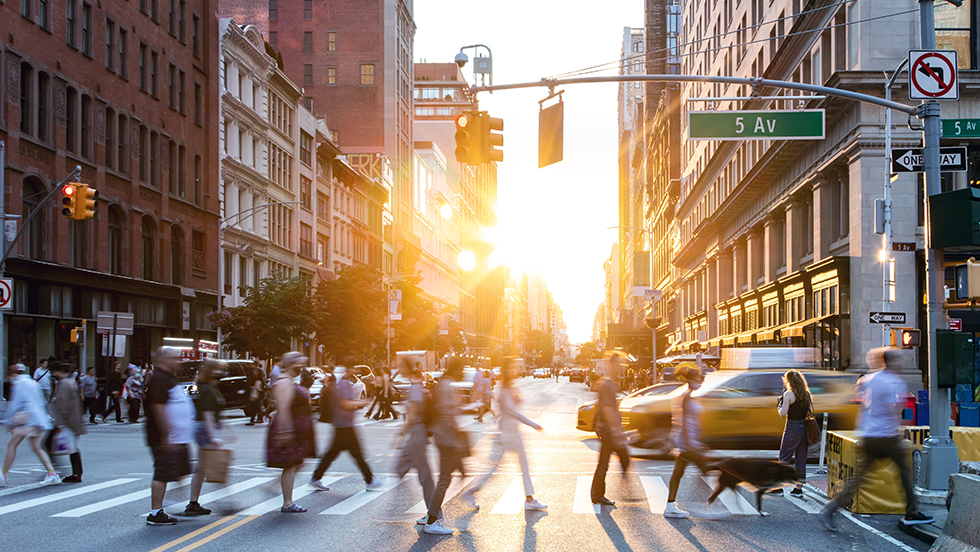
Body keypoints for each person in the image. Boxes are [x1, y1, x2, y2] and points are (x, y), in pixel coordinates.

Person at [820, 348, 935, 530]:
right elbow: (894, 411)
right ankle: (912, 512)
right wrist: (898, 433)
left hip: (868, 434)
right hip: (886, 435)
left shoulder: (868, 379)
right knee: (905, 470)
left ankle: (831, 507)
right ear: (892, 362)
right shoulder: (893, 382)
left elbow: (857, 397)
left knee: (860, 476)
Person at [462, 359, 547, 511]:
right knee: (516, 466)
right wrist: (532, 424)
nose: (515, 371)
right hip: (509, 434)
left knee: (503, 467)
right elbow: (510, 411)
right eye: (513, 369)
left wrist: (517, 399)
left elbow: (510, 406)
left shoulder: (507, 388)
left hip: (509, 432)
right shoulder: (505, 389)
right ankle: (529, 499)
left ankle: (528, 498)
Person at [143, 347, 198, 525]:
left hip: (177, 437)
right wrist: (166, 435)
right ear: (164, 360)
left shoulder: (168, 378)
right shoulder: (158, 380)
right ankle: (155, 512)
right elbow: (158, 409)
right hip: (164, 437)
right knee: (162, 473)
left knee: (178, 471)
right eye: (175, 358)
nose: (179, 361)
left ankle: (172, 504)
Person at [311, 359, 381, 491]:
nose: (356, 372)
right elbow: (345, 403)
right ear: (350, 368)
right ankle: (370, 480)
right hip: (344, 425)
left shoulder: (344, 383)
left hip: (343, 424)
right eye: (354, 369)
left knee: (332, 453)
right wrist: (363, 403)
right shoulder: (344, 384)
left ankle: (316, 477)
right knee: (357, 454)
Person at [266, 352, 316, 513]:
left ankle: (280, 491)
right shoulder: (284, 382)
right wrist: (285, 431)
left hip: (296, 430)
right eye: (299, 364)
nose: (301, 367)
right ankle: (287, 503)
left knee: (296, 463)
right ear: (290, 364)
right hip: (289, 429)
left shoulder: (290, 381)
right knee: (290, 465)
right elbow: (283, 409)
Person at [423, 358, 468, 536]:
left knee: (446, 479)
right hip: (447, 439)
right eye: (462, 369)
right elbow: (447, 413)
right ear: (457, 370)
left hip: (445, 438)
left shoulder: (444, 383)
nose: (464, 373)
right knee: (444, 480)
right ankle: (432, 520)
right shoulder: (448, 385)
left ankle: (431, 517)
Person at [663, 363, 713, 518]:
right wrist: (690, 444)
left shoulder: (691, 394)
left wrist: (700, 439)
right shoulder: (686, 396)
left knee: (679, 473)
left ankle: (670, 505)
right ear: (693, 378)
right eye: (699, 377)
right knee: (705, 470)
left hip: (691, 442)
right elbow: (683, 422)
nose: (701, 380)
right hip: (688, 443)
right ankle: (710, 506)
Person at [2, 363, 61, 486]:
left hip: (27, 420)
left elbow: (15, 404)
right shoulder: (33, 382)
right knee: (37, 447)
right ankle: (52, 474)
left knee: (12, 444)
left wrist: (9, 421)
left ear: (12, 374)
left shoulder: (18, 384)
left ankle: (3, 474)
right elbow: (41, 401)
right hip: (38, 419)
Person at [393, 359, 436, 525]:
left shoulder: (415, 387)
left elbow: (413, 412)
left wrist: (401, 433)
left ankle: (434, 516)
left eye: (400, 366)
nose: (398, 369)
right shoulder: (415, 385)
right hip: (415, 434)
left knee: (425, 476)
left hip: (417, 433)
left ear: (407, 368)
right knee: (400, 467)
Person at [187, 358, 227, 516]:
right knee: (215, 466)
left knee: (203, 468)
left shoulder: (212, 387)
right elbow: (207, 414)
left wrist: (225, 429)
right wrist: (213, 436)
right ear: (211, 370)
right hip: (205, 430)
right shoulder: (207, 390)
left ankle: (193, 502)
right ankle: (225, 501)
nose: (221, 373)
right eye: (218, 369)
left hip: (206, 429)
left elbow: (216, 412)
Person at [591, 352, 629, 506]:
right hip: (608, 430)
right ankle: (598, 494)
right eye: (618, 364)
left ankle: (601, 493)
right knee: (606, 462)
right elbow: (607, 409)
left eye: (621, 364)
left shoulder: (611, 383)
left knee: (615, 460)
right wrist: (616, 430)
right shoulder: (607, 384)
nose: (620, 367)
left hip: (609, 429)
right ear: (611, 365)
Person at [45, 362, 86, 483]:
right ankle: (76, 473)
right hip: (73, 421)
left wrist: (60, 424)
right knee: (73, 447)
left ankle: (52, 469)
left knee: (47, 445)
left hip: (65, 422)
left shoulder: (63, 384)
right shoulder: (70, 382)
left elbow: (63, 405)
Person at [776, 370, 812, 497]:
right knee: (801, 458)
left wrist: (779, 406)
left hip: (792, 426)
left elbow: (783, 414)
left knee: (784, 456)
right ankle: (798, 488)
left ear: (789, 381)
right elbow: (809, 411)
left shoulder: (789, 394)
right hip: (804, 427)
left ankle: (779, 487)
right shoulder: (806, 394)